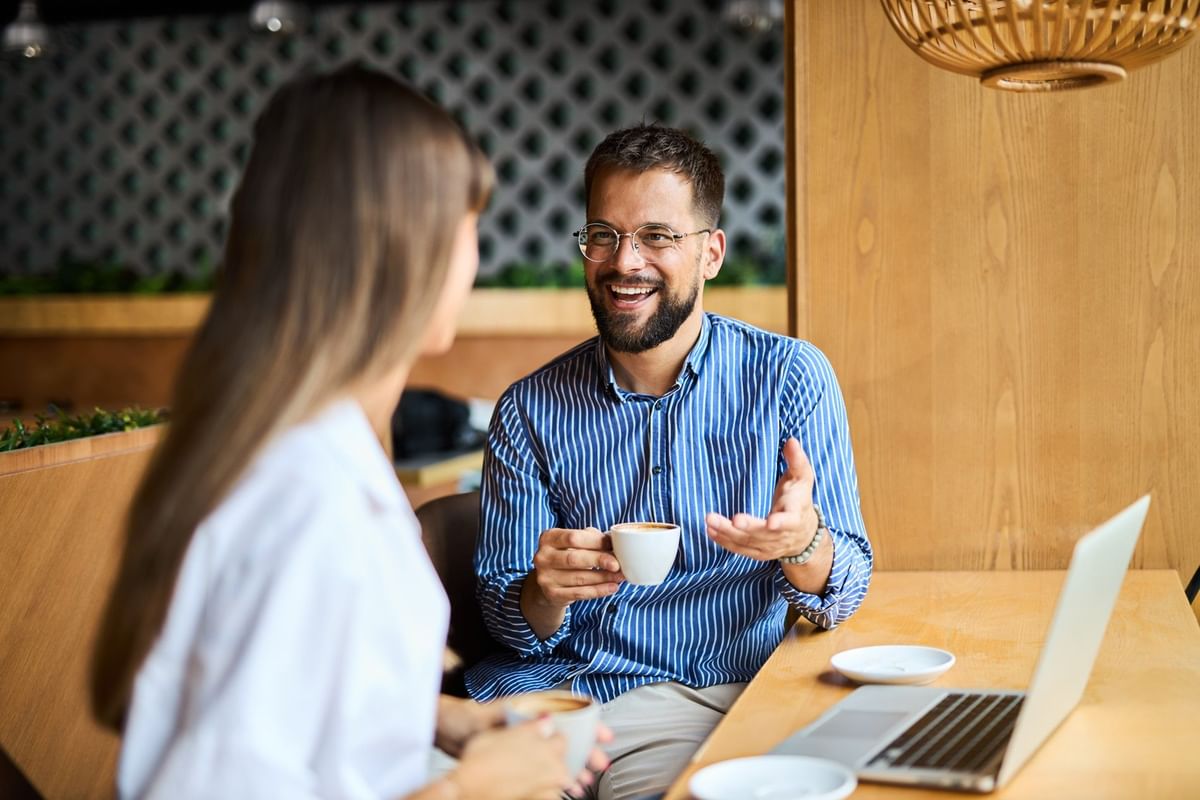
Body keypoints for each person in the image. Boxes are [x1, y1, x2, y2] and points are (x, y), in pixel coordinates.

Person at [90, 66, 606, 800]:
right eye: (469, 229)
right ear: (403, 250)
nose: (476, 259)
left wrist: (441, 720)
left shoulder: (300, 448)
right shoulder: (305, 498)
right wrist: (470, 791)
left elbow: (291, 696)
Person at [467, 124, 874, 799]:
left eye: (657, 236)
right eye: (604, 234)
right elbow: (507, 621)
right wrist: (541, 592)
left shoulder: (789, 378)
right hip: (555, 701)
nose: (625, 261)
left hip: (704, 696)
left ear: (711, 253)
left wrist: (802, 544)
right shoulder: (528, 409)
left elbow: (846, 590)